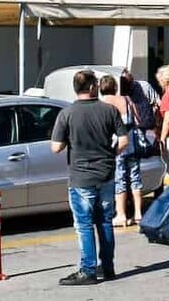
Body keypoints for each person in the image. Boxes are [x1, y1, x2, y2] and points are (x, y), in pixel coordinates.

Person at [50, 69, 127, 285]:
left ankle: (88, 270)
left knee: (84, 225)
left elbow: (56, 147)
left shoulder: (66, 114)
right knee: (104, 222)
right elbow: (124, 141)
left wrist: (69, 140)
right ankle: (108, 266)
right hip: (106, 175)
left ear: (76, 89)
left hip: (80, 177)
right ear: (93, 87)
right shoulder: (109, 111)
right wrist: (110, 154)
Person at [99, 75, 144, 228]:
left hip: (117, 144)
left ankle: (121, 215)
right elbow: (138, 119)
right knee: (135, 178)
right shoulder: (127, 99)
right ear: (115, 87)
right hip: (132, 143)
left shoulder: (103, 103)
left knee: (120, 179)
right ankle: (138, 214)